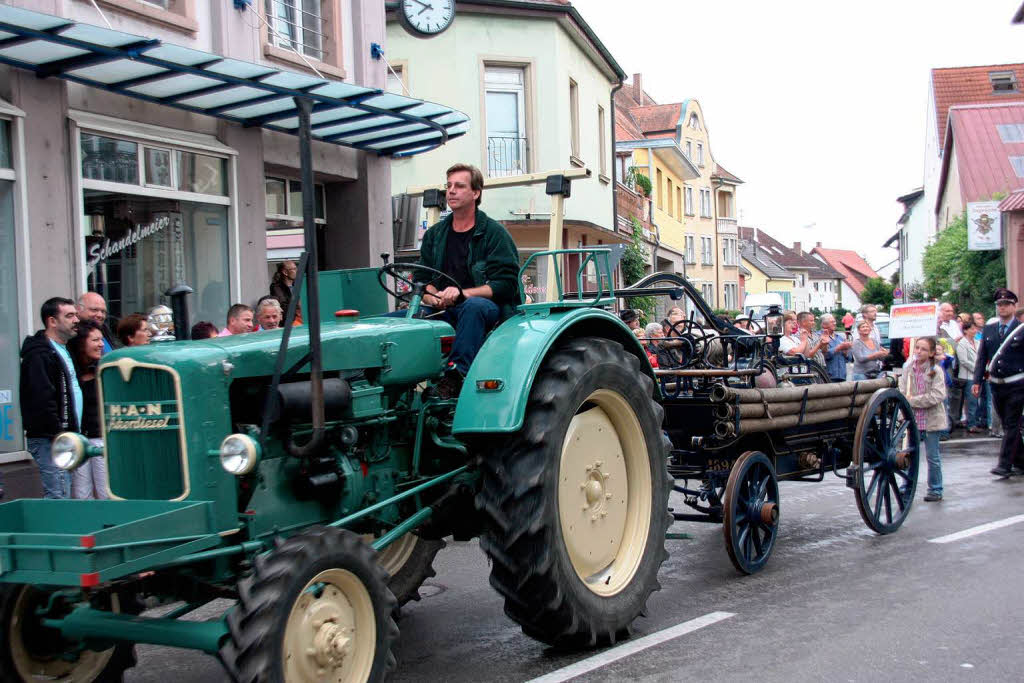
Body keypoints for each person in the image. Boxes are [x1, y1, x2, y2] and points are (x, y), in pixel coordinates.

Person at [407, 163, 520, 398]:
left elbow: (506, 284)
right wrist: (432, 296)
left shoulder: (493, 233)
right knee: (394, 323)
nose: (451, 191)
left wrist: (462, 294)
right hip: (442, 309)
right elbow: (421, 278)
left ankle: (454, 377)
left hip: (487, 309)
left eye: (459, 186)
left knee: (472, 307)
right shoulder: (435, 235)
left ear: (476, 193)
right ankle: (396, 387)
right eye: (448, 186)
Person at [19, 297, 80, 499]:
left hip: (66, 438)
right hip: (51, 439)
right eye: (69, 315)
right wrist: (59, 433)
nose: (76, 320)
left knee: (64, 493)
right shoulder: (40, 354)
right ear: (52, 321)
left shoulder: (64, 350)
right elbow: (41, 398)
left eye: (76, 315)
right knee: (58, 496)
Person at [972, 288, 1024, 478]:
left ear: (1014, 306)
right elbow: (982, 357)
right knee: (1007, 423)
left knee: (1011, 423)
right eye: (999, 305)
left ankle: (1004, 464)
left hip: (1017, 384)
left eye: (1006, 304)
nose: (1002, 308)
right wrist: (977, 380)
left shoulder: (1021, 329)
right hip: (996, 384)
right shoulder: (989, 329)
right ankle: (1021, 460)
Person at [899, 337, 947, 501]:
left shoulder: (936, 370)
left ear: (932, 353)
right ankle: (907, 486)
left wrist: (912, 401)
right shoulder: (908, 369)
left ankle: (935, 489)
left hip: (931, 420)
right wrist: (903, 409)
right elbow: (902, 390)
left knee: (932, 457)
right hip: (912, 419)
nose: (919, 351)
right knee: (908, 455)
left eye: (924, 349)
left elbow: (938, 395)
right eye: (917, 348)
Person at [67, 321, 110, 500]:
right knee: (81, 493)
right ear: (81, 343)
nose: (101, 344)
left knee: (106, 491)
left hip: (101, 438)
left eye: (101, 339)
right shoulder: (70, 371)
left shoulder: (105, 369)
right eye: (95, 340)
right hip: (78, 439)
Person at [956, 317, 983, 434]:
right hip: (968, 376)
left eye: (975, 328)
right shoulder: (962, 343)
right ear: (965, 330)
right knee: (971, 400)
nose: (975, 330)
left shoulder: (978, 342)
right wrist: (977, 369)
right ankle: (971, 424)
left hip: (978, 375)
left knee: (976, 401)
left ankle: (975, 421)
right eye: (972, 329)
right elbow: (964, 361)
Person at [820, 313, 853, 382]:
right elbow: (823, 356)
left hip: (842, 375)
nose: (835, 323)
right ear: (824, 324)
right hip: (827, 376)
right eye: (832, 322)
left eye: (835, 321)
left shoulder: (840, 337)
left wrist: (846, 352)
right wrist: (839, 348)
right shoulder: (819, 336)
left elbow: (849, 359)